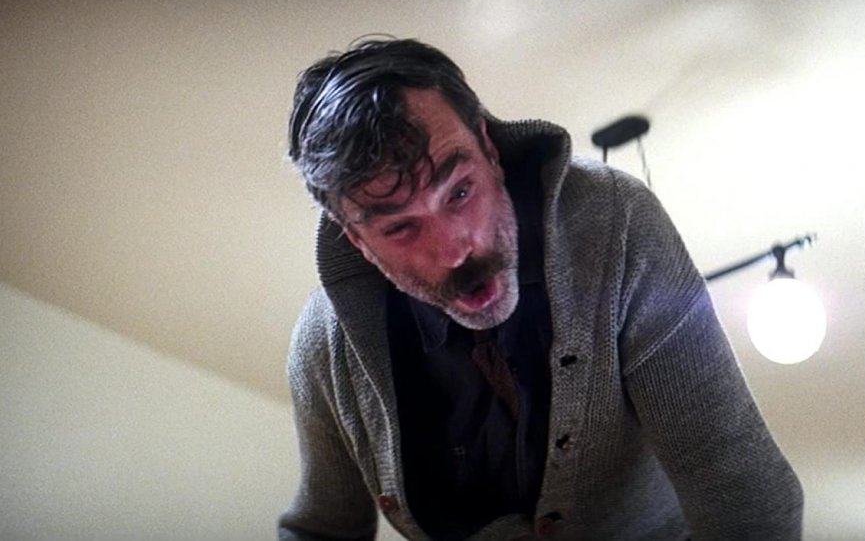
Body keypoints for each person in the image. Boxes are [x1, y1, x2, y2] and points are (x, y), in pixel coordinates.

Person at [278, 38, 803, 541]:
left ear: (489, 149)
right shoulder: (325, 350)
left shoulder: (615, 224)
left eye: (459, 192)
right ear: (360, 243)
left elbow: (739, 486)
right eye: (401, 228)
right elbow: (321, 530)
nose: (454, 251)